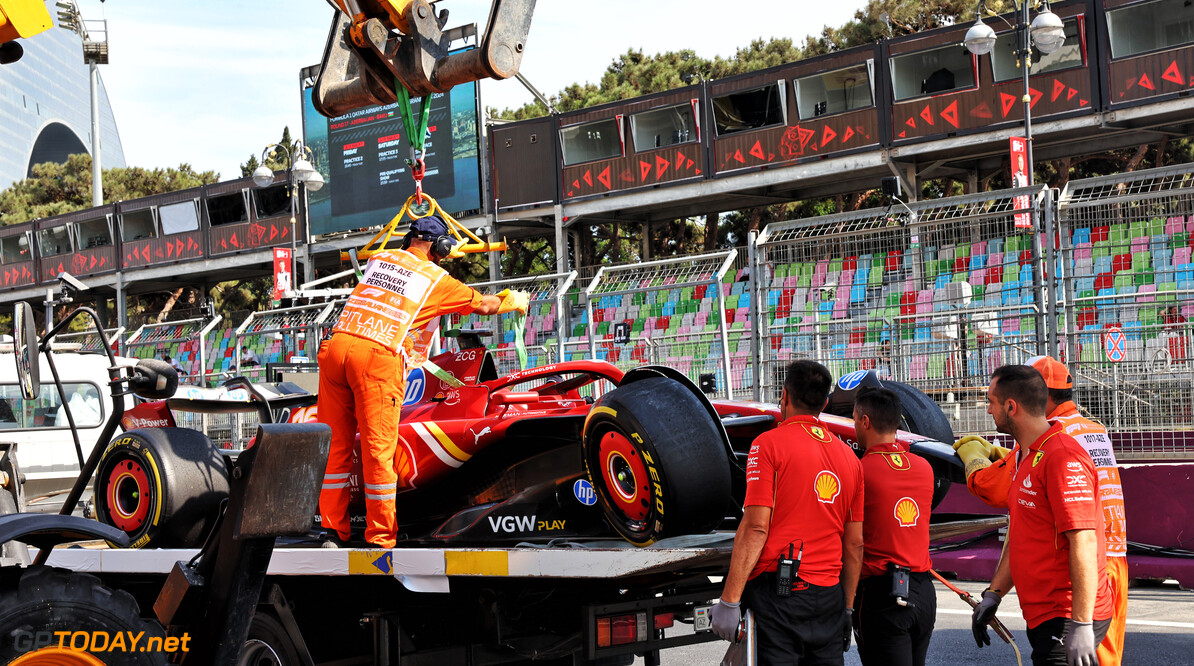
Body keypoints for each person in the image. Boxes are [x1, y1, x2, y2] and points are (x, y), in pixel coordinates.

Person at [317, 214, 528, 548]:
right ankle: (380, 537)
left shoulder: (380, 259)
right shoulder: (437, 279)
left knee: (336, 448)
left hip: (336, 348)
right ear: (440, 247)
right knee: (378, 452)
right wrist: (511, 301)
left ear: (409, 239)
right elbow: (484, 305)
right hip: (375, 357)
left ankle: (332, 531)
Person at [956, 356, 1128, 665]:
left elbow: (1084, 540)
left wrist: (1081, 623)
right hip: (1050, 611)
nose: (987, 409)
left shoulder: (1061, 455)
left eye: (991, 402)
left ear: (1012, 407)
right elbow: (1023, 536)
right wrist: (994, 594)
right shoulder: (1030, 454)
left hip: (1067, 611)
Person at [712, 360, 864, 665]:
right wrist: (847, 607)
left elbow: (756, 527)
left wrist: (729, 599)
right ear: (824, 403)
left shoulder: (767, 445)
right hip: (830, 595)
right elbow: (855, 543)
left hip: (779, 597)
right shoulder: (850, 459)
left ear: (784, 395)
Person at [851, 387, 936, 666]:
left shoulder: (860, 470)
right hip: (923, 591)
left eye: (854, 420)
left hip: (881, 593)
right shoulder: (924, 467)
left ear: (865, 422)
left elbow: (853, 541)